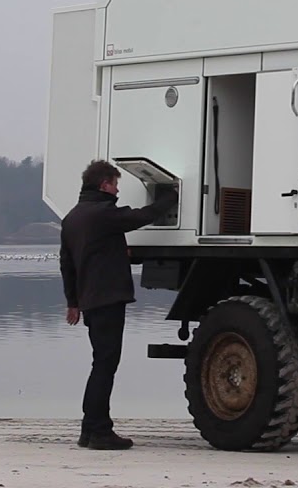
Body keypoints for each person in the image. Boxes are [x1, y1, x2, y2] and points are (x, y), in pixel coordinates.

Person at [60, 159, 178, 450]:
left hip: (90, 300)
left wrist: (73, 302)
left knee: (100, 362)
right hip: (108, 298)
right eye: (115, 185)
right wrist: (172, 197)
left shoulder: (72, 218)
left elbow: (67, 265)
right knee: (105, 364)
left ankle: (89, 430)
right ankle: (100, 431)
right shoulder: (103, 214)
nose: (116, 191)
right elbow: (142, 216)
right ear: (104, 185)